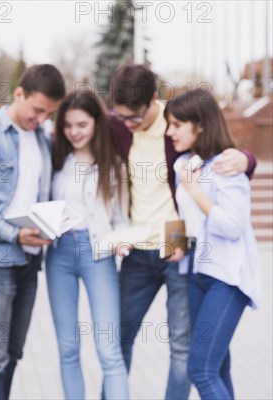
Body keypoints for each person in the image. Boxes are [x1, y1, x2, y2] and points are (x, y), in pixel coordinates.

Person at [109, 64, 257, 400]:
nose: (128, 124)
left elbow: (220, 156)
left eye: (135, 117)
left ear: (152, 100)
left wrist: (247, 159)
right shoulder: (119, 126)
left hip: (183, 254)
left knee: (187, 353)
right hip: (140, 253)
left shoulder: (179, 125)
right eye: (122, 118)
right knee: (118, 338)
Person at [0, 64, 65, 399]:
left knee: (14, 353)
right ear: (19, 94)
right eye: (37, 110)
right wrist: (14, 234)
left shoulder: (42, 140)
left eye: (49, 113)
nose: (42, 118)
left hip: (31, 260)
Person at [164, 88, 261, 399]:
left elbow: (232, 227)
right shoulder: (186, 165)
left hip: (228, 276)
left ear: (201, 125)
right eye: (169, 124)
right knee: (217, 367)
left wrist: (197, 193)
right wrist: (175, 242)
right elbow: (180, 211)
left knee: (201, 370)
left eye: (177, 125)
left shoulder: (227, 168)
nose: (170, 132)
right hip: (197, 270)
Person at [47, 90, 129, 399]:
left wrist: (120, 242)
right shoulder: (58, 159)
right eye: (68, 125)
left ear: (97, 122)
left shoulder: (113, 164)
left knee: (109, 350)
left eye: (81, 124)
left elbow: (120, 219)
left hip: (99, 254)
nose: (74, 132)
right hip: (59, 255)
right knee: (68, 348)